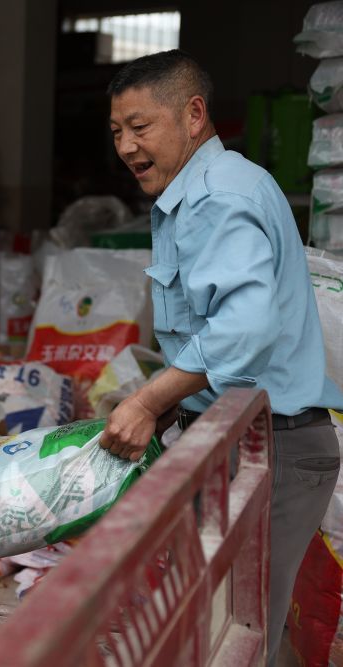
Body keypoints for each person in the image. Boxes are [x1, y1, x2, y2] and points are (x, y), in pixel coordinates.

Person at [100, 49, 343, 662]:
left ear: (193, 114)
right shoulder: (206, 191)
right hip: (250, 442)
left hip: (274, 448)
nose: (126, 147)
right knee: (233, 629)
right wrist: (170, 404)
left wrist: (147, 400)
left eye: (140, 126)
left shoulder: (216, 197)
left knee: (234, 638)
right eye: (117, 131)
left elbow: (242, 328)